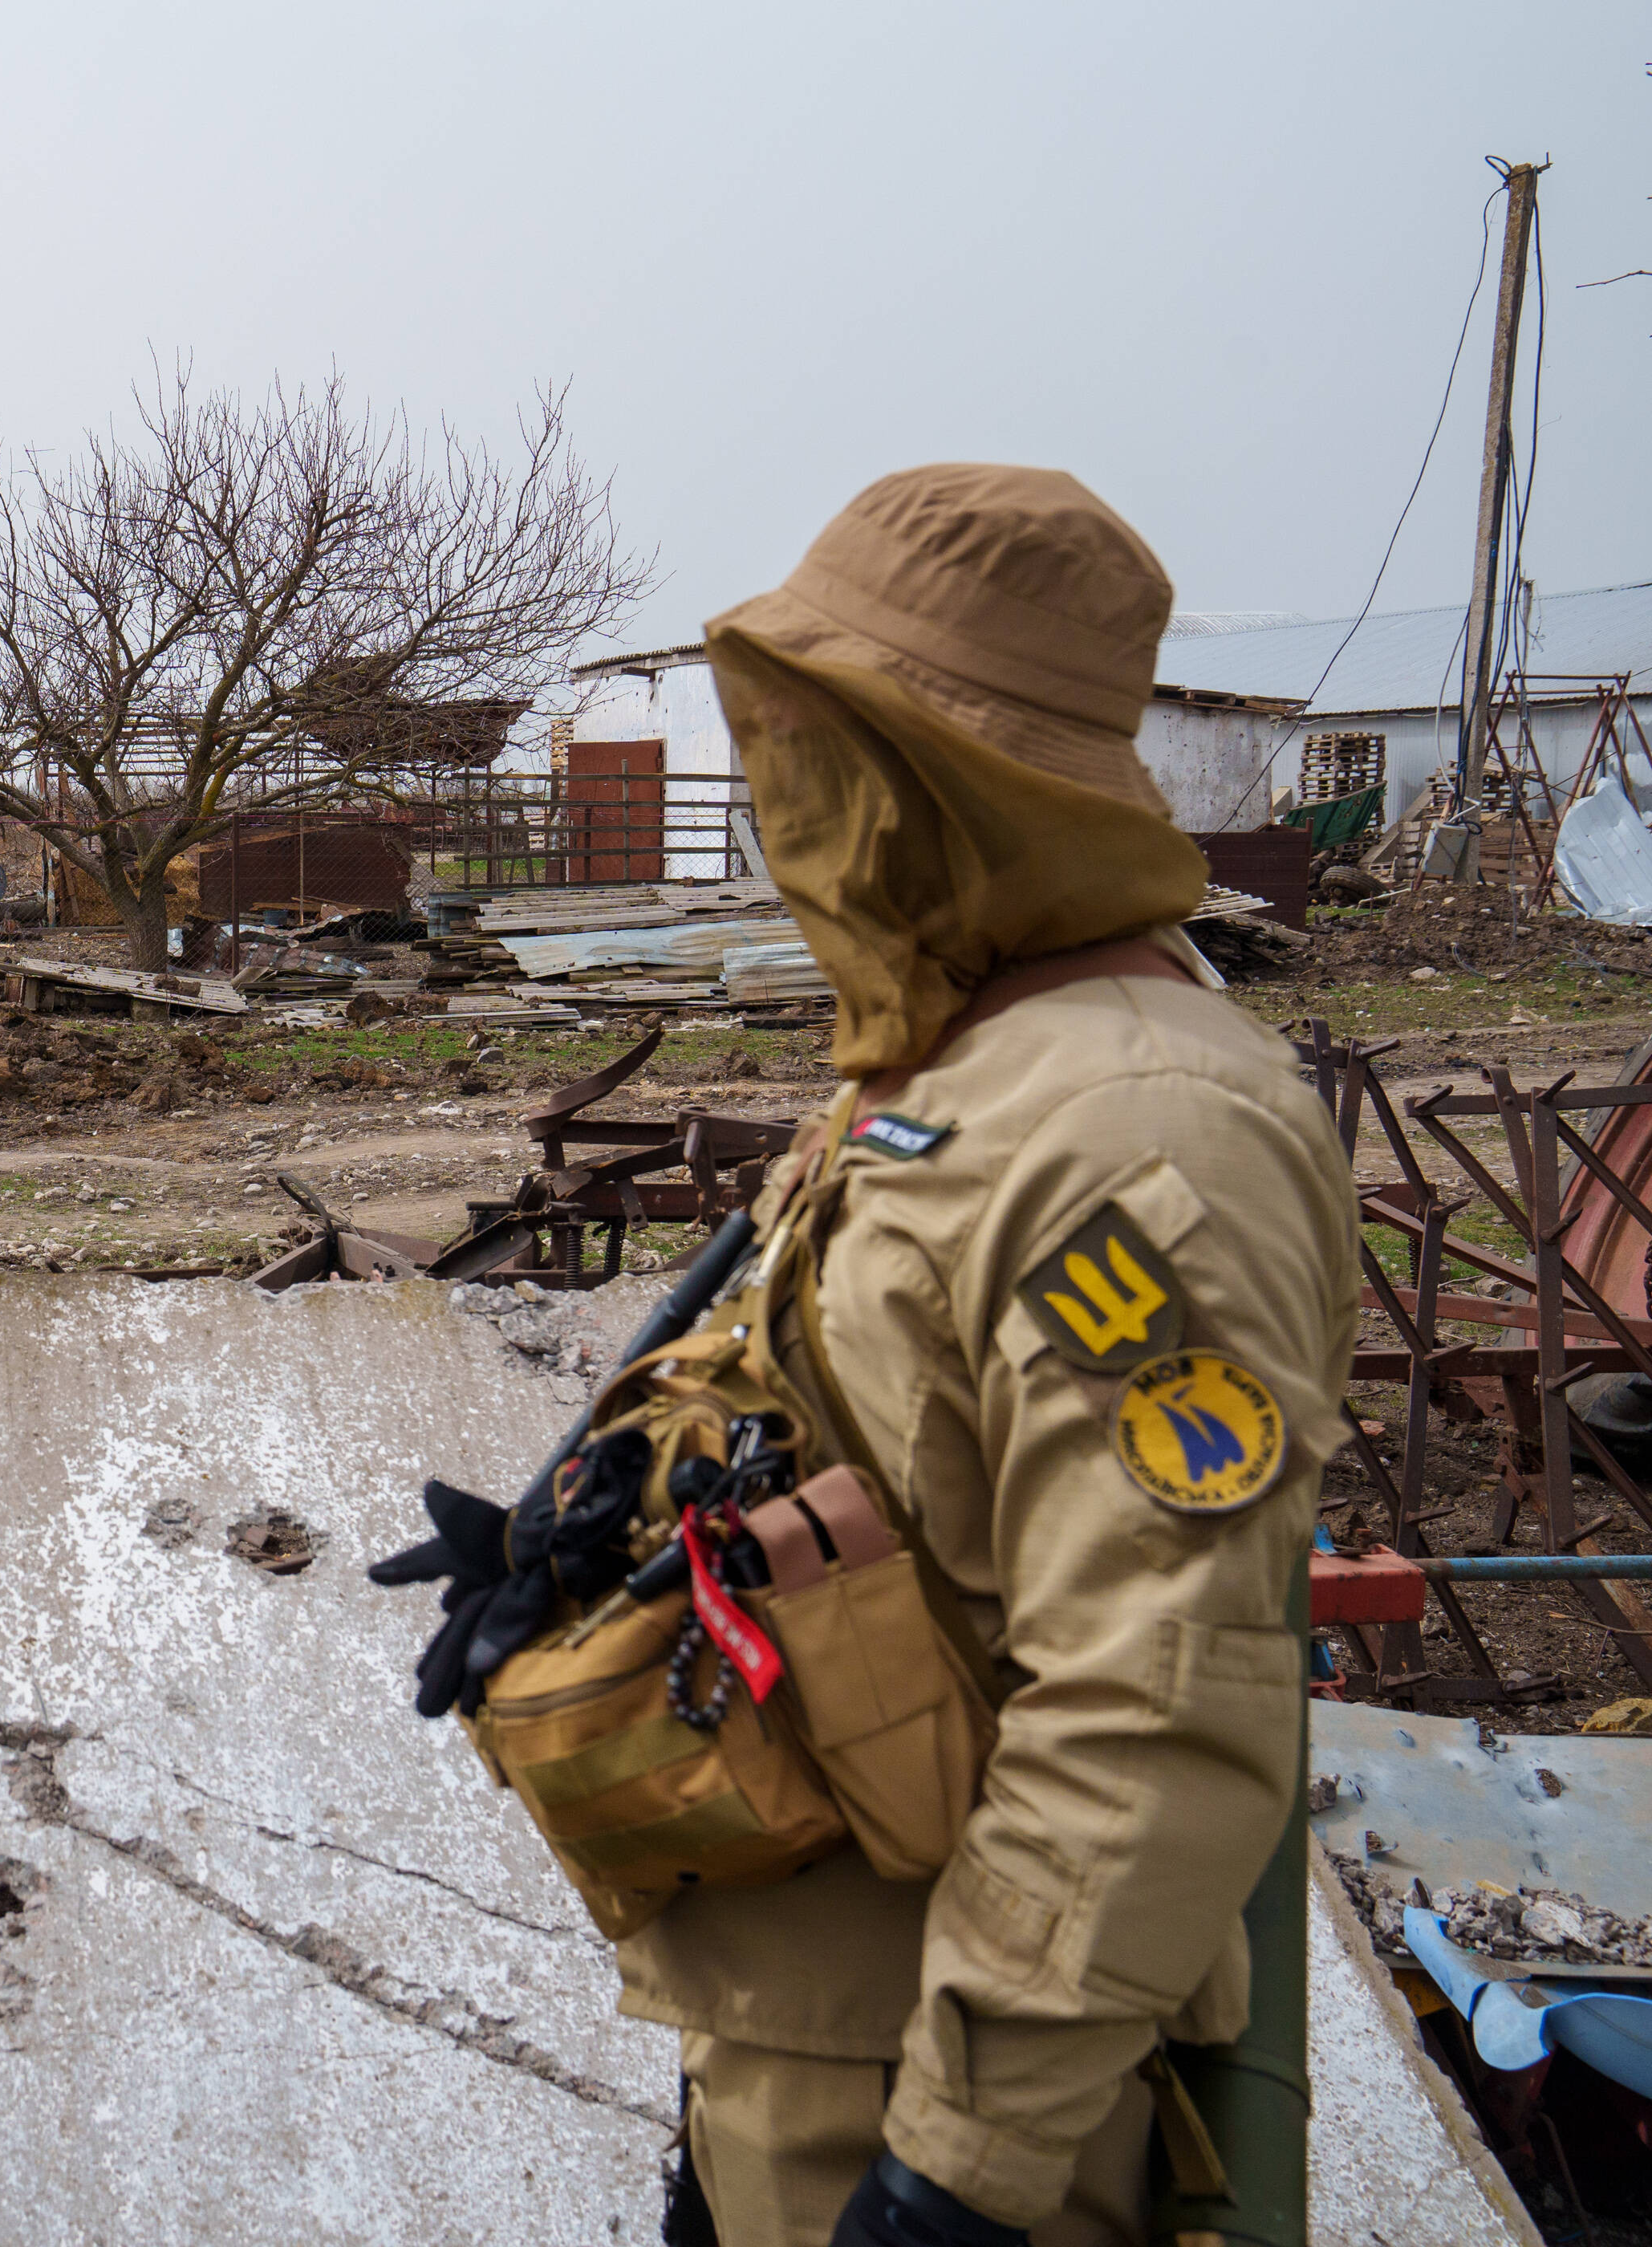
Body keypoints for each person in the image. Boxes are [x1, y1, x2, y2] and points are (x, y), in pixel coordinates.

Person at [380, 466, 1353, 2247]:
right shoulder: (956, 1066)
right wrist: (604, 1516)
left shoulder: (1139, 1135)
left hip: (959, 2102)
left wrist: (957, 2178)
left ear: (951, 782)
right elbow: (875, 1429)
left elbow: (1159, 1708)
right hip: (796, 2033)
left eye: (822, 753)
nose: (779, 809)